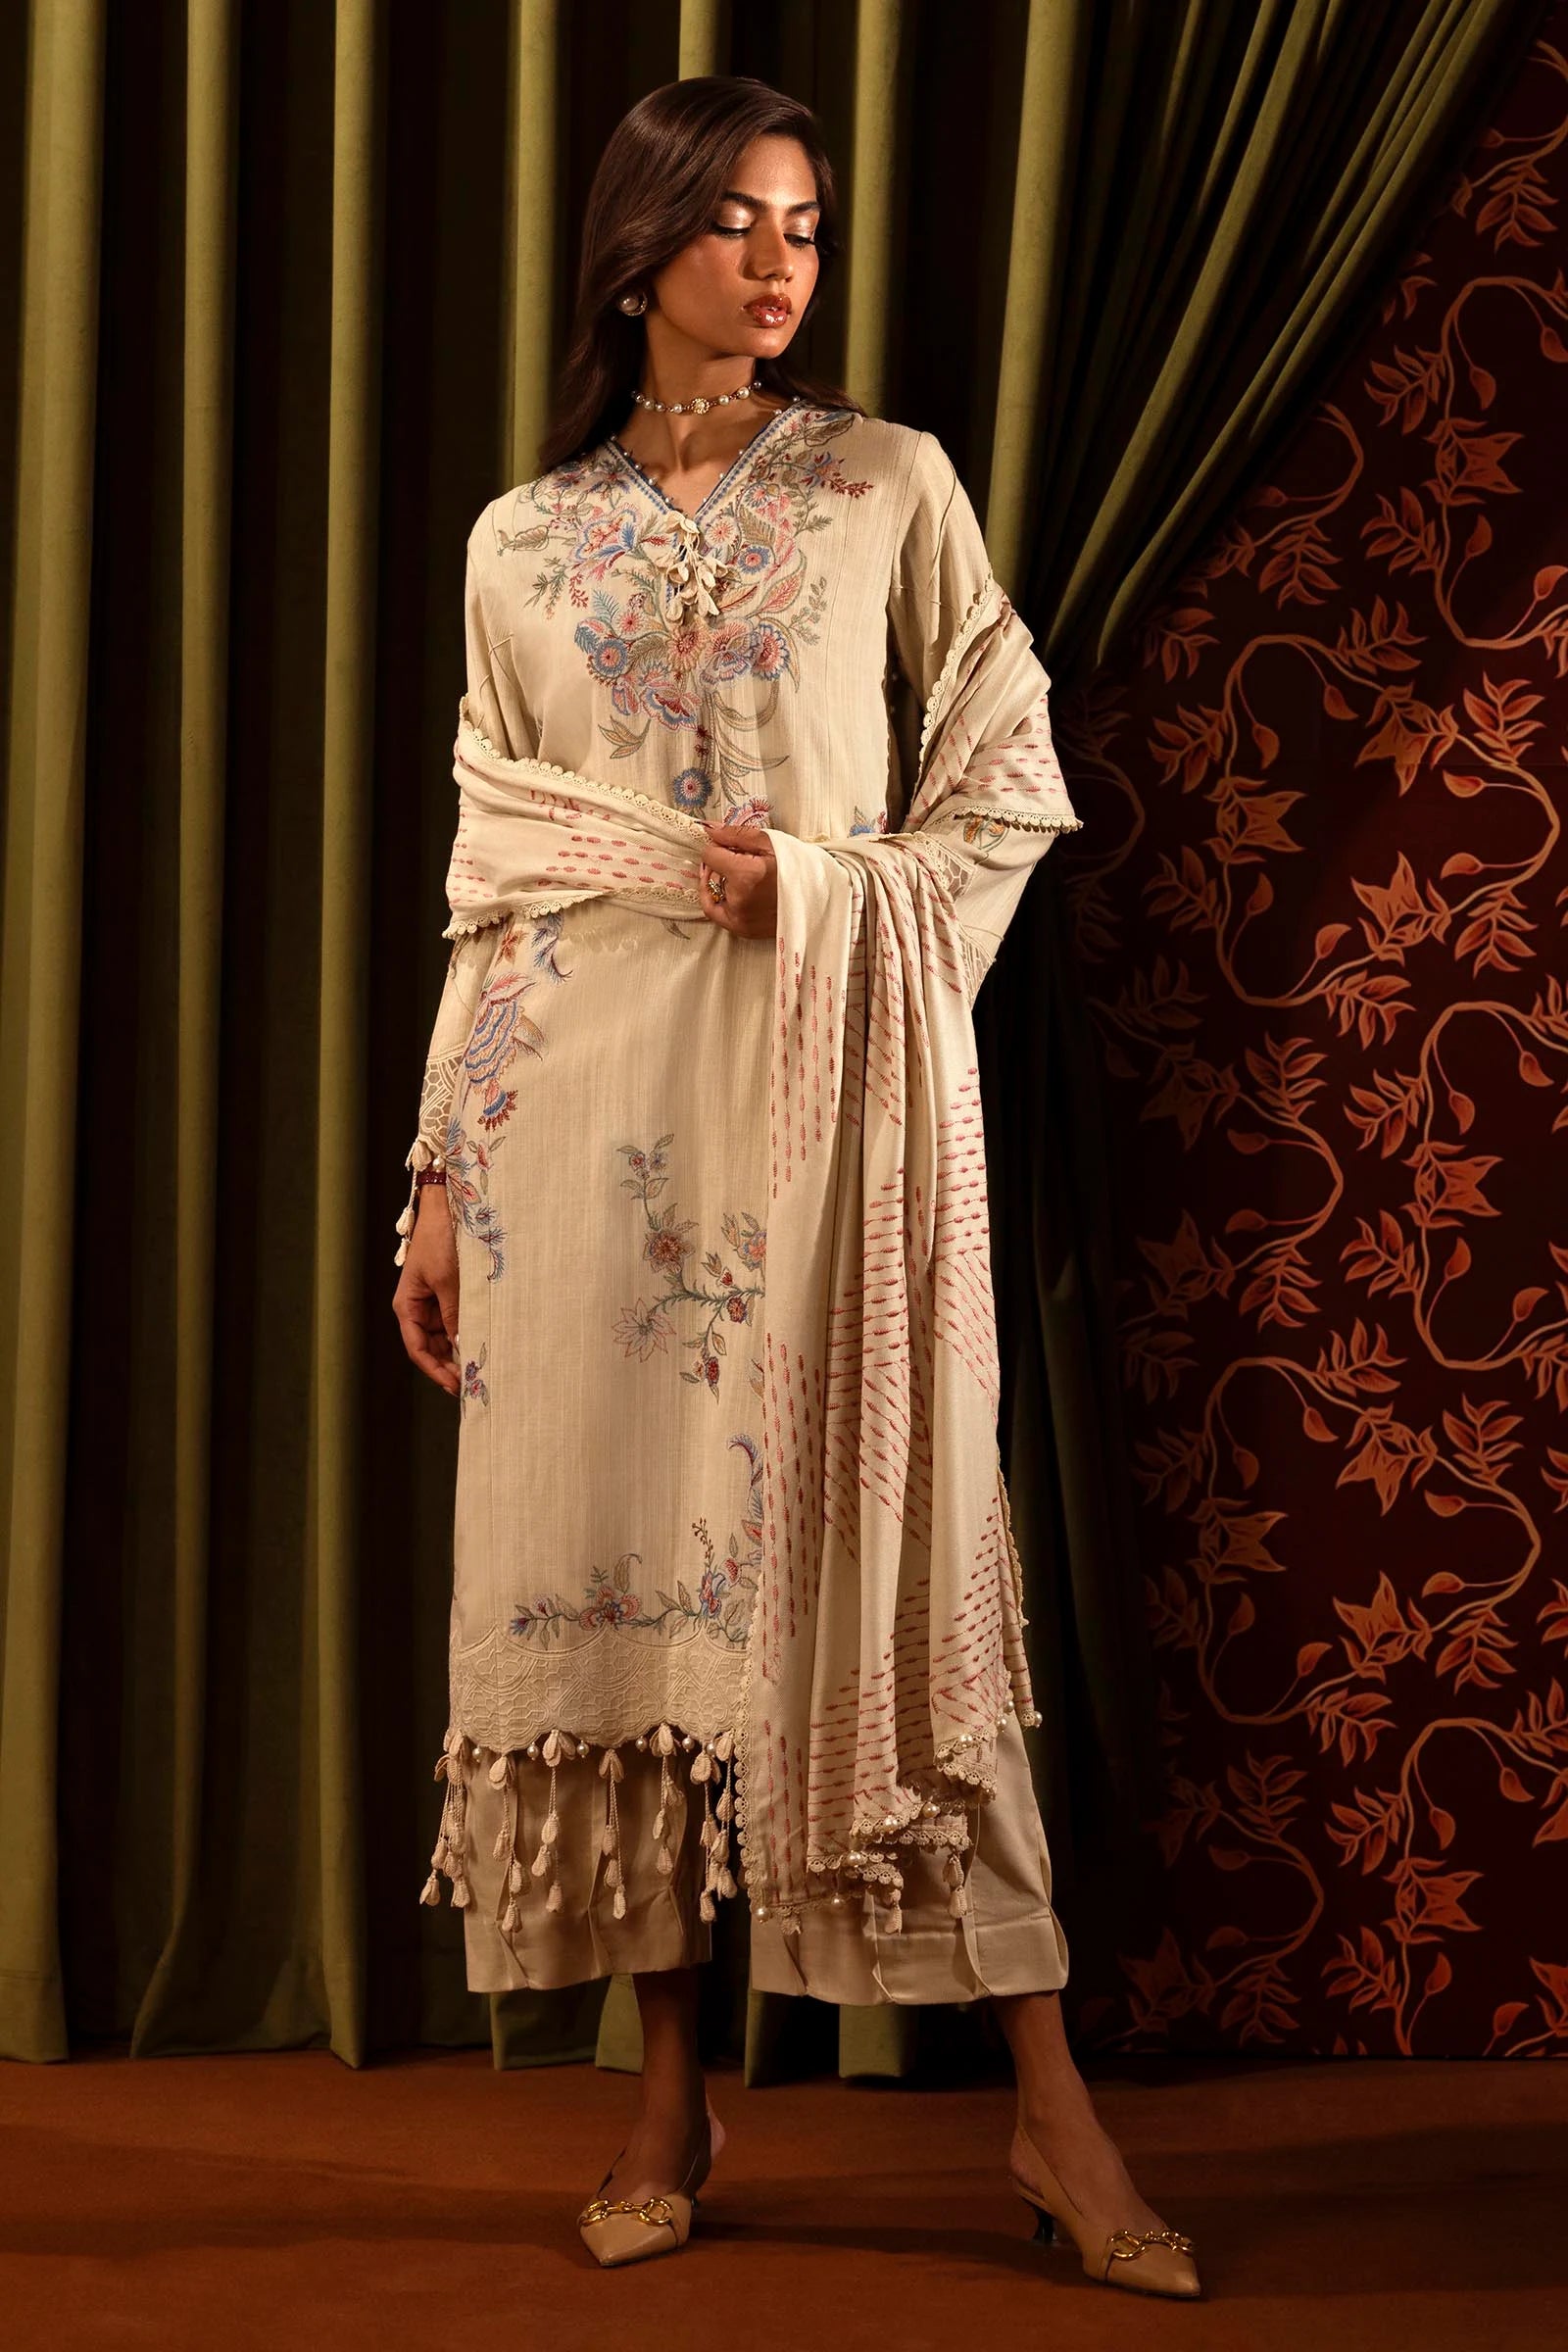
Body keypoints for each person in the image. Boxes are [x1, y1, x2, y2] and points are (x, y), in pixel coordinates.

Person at [391, 74, 1200, 2302]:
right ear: (639, 240)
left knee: (890, 1566)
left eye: (806, 226)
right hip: (572, 1125)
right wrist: (439, 1179)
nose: (779, 264)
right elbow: (494, 885)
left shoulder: (882, 485)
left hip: (823, 1104)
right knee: (625, 1586)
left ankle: (1049, 2107)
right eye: (739, 222)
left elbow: (1005, 770)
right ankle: (671, 2096)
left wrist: (827, 892)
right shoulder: (518, 541)